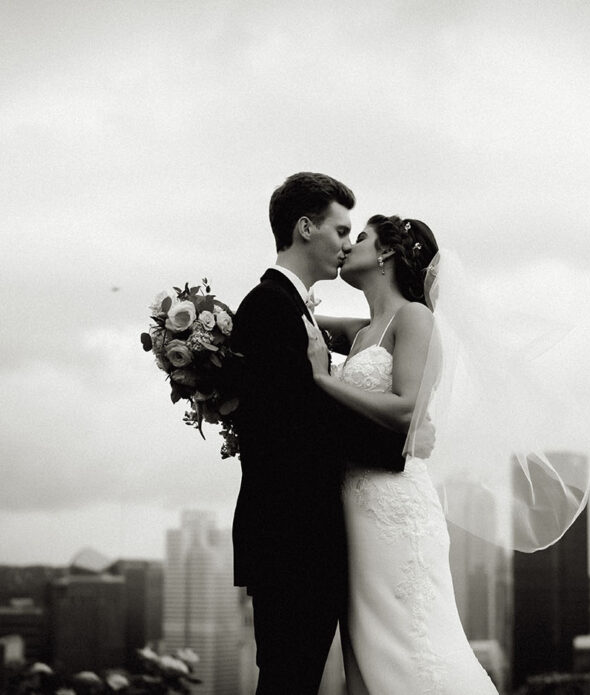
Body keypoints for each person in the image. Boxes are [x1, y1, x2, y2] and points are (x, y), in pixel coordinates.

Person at [227, 173, 409, 695]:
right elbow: (296, 431)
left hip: (298, 536)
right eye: (341, 229)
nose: (348, 244)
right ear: (305, 228)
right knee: (290, 680)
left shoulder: (291, 305)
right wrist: (401, 445)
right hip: (292, 538)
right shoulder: (270, 307)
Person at [304, 215, 500, 694]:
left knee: (415, 640)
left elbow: (406, 409)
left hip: (396, 506)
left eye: (361, 237)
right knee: (370, 649)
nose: (348, 246)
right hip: (357, 510)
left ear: (388, 253)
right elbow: (292, 320)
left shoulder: (415, 317)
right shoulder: (362, 331)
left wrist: (324, 380)